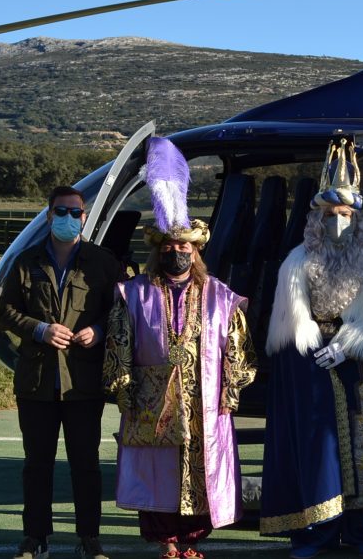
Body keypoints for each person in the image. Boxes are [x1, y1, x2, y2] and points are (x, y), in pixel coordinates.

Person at [103, 137, 257, 559]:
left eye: (183, 247)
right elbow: (119, 343)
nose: (176, 252)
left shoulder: (219, 295)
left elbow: (237, 345)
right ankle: (165, 539)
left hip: (204, 400)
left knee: (200, 467)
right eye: (168, 247)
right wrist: (124, 389)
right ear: (157, 251)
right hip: (154, 401)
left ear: (196, 250)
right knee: (158, 471)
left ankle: (191, 540)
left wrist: (231, 389)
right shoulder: (134, 293)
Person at [259, 140, 363, 559]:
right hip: (314, 371)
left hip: (362, 374)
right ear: (317, 218)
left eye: (346, 215)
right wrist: (312, 343)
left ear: (358, 218)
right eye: (330, 215)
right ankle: (318, 532)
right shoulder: (298, 261)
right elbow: (289, 322)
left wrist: (353, 344)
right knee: (317, 451)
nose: (338, 223)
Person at [0, 185, 122, 559]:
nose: (69, 219)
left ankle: (89, 537)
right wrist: (40, 329)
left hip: (82, 382)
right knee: (37, 464)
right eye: (61, 212)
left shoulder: (102, 262)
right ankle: (35, 537)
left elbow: (121, 311)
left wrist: (97, 331)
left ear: (85, 217)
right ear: (49, 215)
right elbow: (5, 310)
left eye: (75, 213)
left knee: (86, 464)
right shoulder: (26, 261)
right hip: (37, 381)